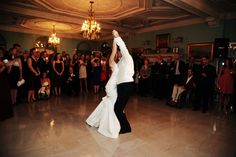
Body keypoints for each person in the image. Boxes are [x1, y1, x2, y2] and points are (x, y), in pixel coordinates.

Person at [86, 40, 120, 138]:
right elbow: (114, 52)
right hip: (111, 86)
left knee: (109, 103)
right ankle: (108, 125)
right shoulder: (111, 62)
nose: (117, 54)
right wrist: (115, 42)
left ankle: (95, 119)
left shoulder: (115, 63)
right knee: (112, 103)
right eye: (116, 53)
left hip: (112, 85)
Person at [113, 30, 134, 134]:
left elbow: (123, 48)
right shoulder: (121, 61)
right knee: (119, 108)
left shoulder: (127, 57)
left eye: (118, 51)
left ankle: (126, 128)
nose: (117, 53)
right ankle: (125, 127)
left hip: (127, 85)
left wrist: (117, 37)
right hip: (121, 86)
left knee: (117, 108)